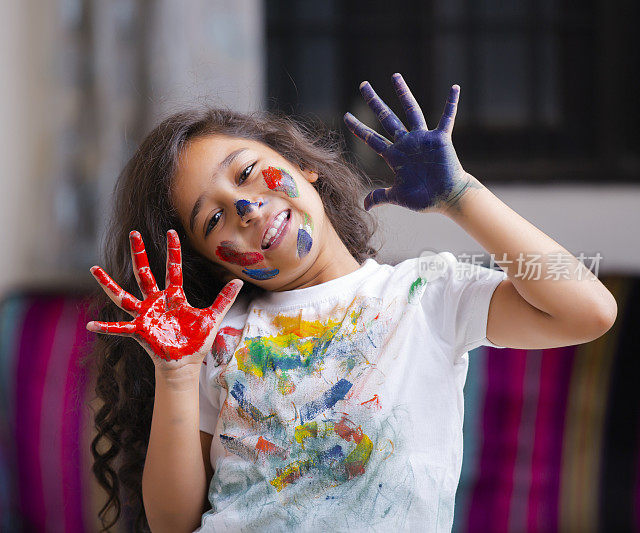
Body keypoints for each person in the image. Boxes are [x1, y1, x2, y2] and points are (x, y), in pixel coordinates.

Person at [84, 74, 617, 532]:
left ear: (302, 164)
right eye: (214, 219)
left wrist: (461, 197)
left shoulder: (424, 295)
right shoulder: (216, 339)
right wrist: (177, 374)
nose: (245, 207)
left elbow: (587, 309)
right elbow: (173, 522)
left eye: (247, 173)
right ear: (211, 262)